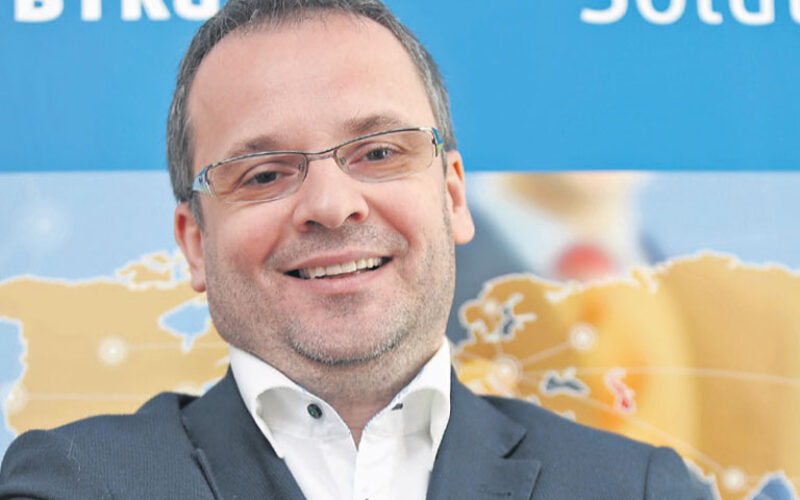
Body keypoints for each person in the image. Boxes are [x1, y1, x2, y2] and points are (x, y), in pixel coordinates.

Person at [0, 1, 711, 498]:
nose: (332, 204)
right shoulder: (74, 484)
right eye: (265, 174)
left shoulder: (634, 488)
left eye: (378, 152)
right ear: (194, 242)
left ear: (453, 196)